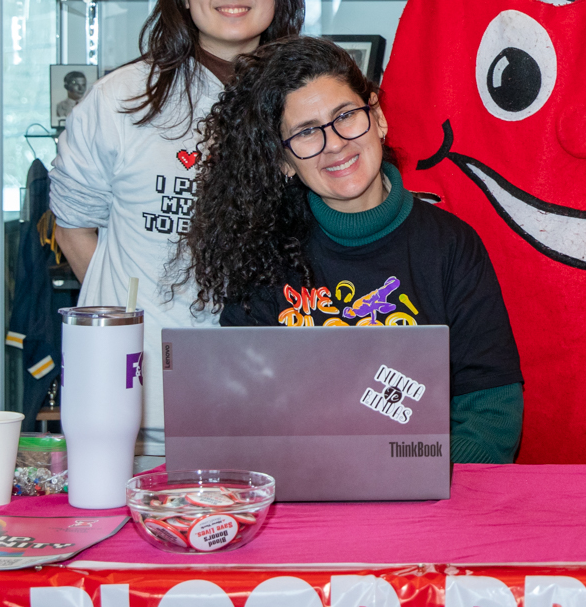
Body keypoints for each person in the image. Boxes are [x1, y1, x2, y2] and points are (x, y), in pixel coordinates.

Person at [181, 37, 524, 463]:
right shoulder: (263, 255)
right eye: (306, 132)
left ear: (377, 117)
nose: (335, 143)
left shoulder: (451, 245)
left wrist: (422, 472)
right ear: (284, 161)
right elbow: (243, 416)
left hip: (431, 502)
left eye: (345, 116)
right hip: (305, 498)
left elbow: (492, 411)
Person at [50, 0, 305, 455]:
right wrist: (130, 321)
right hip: (138, 407)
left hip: (272, 391)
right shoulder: (122, 100)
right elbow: (73, 228)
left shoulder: (306, 102)